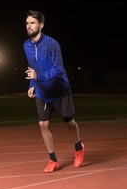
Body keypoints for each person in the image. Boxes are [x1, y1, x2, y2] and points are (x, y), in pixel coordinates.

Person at [23, 10, 85, 173]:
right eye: (27, 23)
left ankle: (79, 148)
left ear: (41, 25)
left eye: (32, 23)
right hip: (42, 91)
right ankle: (53, 160)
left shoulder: (52, 44)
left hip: (59, 89)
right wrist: (32, 84)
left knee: (69, 122)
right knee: (43, 124)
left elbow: (58, 69)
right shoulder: (26, 45)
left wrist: (39, 76)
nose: (29, 26)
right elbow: (32, 68)